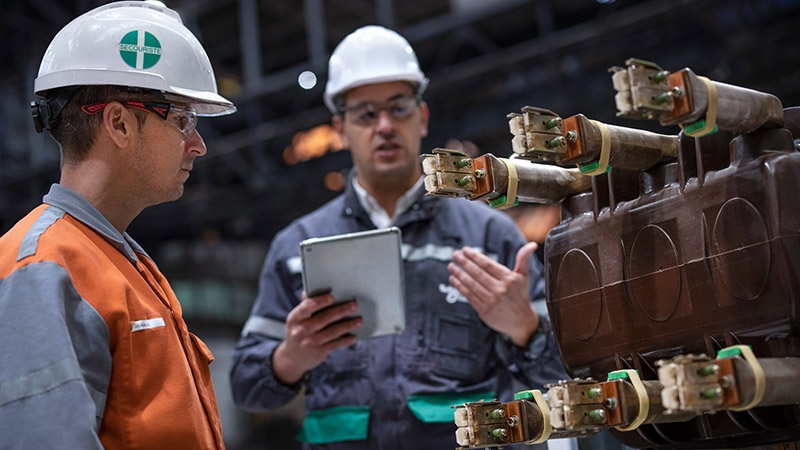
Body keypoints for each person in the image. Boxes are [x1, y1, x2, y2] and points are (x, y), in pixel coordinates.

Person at [229, 25, 567, 449]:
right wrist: (288, 359)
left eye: (398, 108)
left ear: (422, 118)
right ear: (341, 128)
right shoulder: (296, 247)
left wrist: (525, 328)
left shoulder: (489, 235)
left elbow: (563, 377)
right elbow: (245, 386)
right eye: (366, 114)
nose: (384, 125)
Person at [0, 2, 236, 449]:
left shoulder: (122, 262)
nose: (199, 145)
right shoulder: (42, 268)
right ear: (120, 122)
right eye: (184, 120)